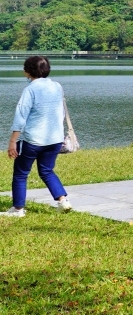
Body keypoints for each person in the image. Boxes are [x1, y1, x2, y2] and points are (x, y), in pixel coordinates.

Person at [4, 56, 72, 218]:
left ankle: (18, 209)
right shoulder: (57, 86)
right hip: (55, 139)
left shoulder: (30, 90)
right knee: (47, 170)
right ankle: (63, 201)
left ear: (28, 72)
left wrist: (13, 141)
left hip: (33, 140)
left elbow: (21, 116)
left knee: (21, 173)